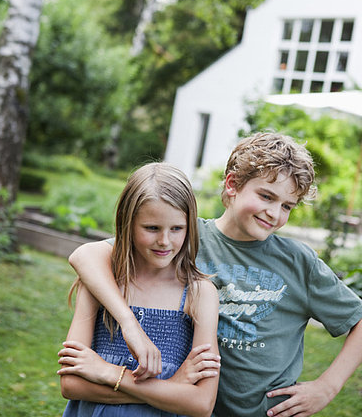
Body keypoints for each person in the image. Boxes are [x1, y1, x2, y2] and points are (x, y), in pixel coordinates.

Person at [68, 131, 362, 417]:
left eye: (287, 206)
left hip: (266, 410)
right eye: (266, 196)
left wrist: (328, 387)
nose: (275, 213)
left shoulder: (298, 262)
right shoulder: (183, 236)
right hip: (182, 400)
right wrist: (129, 324)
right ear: (232, 184)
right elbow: (85, 255)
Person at [57, 162, 220, 417]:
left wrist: (108, 372)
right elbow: (71, 384)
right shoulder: (101, 284)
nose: (165, 241)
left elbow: (200, 403)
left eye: (177, 228)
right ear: (128, 224)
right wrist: (171, 388)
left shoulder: (200, 294)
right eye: (152, 228)